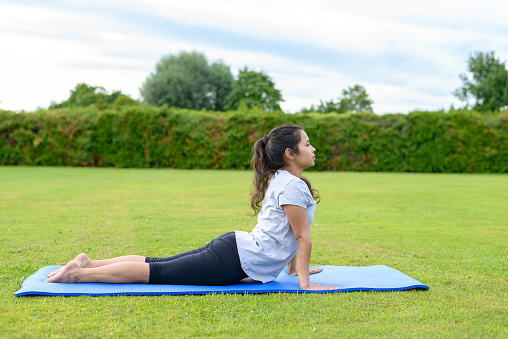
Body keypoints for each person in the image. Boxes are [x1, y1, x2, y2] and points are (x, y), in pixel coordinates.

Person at [46, 124, 338, 291]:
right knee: (157, 273)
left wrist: (293, 269)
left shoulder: (282, 179)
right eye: (308, 144)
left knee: (158, 264)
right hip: (232, 259)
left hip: (233, 249)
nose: (313, 149)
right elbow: (301, 237)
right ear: (290, 153)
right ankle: (78, 274)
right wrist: (304, 284)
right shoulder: (291, 186)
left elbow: (286, 233)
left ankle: (89, 263)